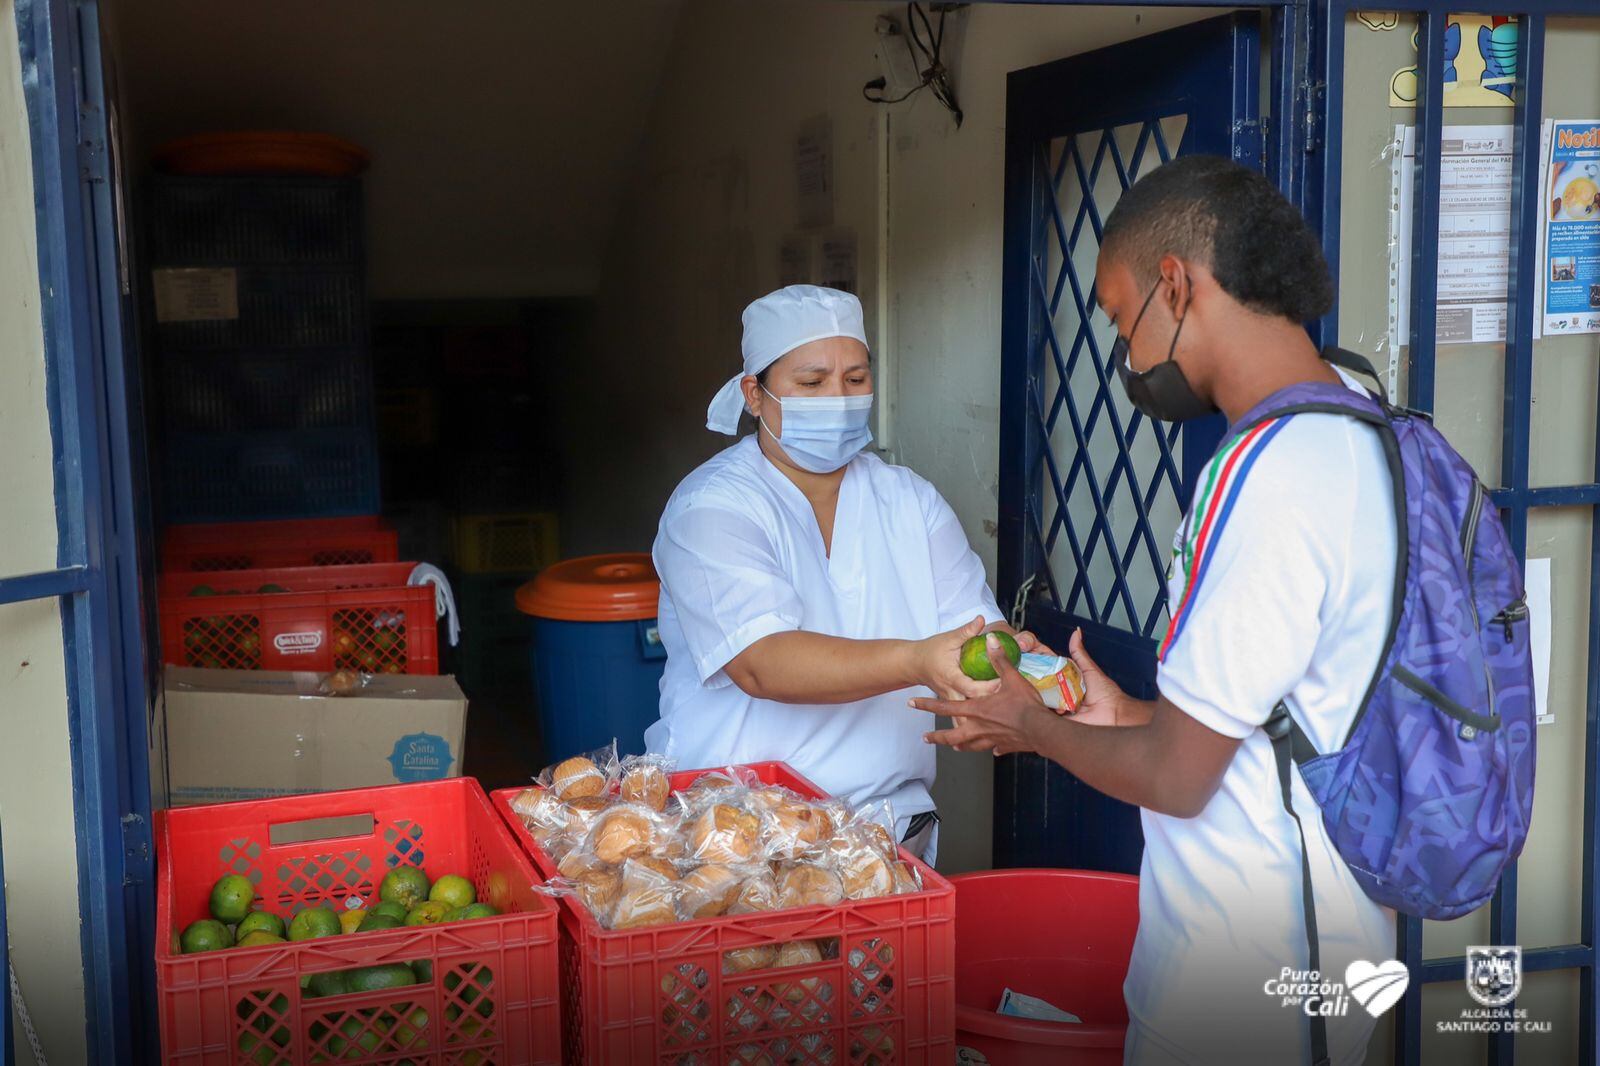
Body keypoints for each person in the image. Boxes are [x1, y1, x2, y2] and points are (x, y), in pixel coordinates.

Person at [913, 157, 1398, 1065]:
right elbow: (1277, 723)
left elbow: (1180, 779)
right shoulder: (1368, 418)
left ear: (1174, 288)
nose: (1128, 358)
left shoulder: (1269, 478)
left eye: (1118, 318)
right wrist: (1124, 715)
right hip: (1326, 937)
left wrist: (1030, 723)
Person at [646, 284, 1046, 863]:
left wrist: (1009, 659)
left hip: (887, 832)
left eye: (855, 380)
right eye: (812, 383)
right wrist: (916, 659)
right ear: (754, 395)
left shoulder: (910, 500)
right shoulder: (712, 507)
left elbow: (970, 632)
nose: (838, 397)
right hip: (737, 835)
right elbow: (762, 662)